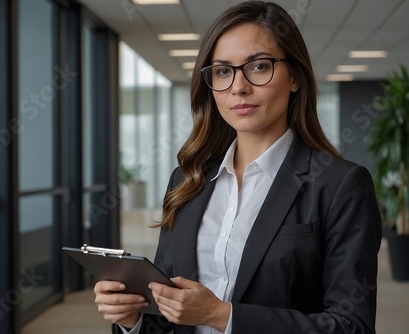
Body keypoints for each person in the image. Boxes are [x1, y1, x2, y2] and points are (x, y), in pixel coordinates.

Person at [94, 1, 382, 333]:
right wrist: (133, 319)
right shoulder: (188, 181)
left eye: (259, 66)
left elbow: (351, 326)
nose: (238, 86)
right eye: (223, 71)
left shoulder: (340, 185)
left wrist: (222, 316)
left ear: (295, 78)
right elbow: (168, 318)